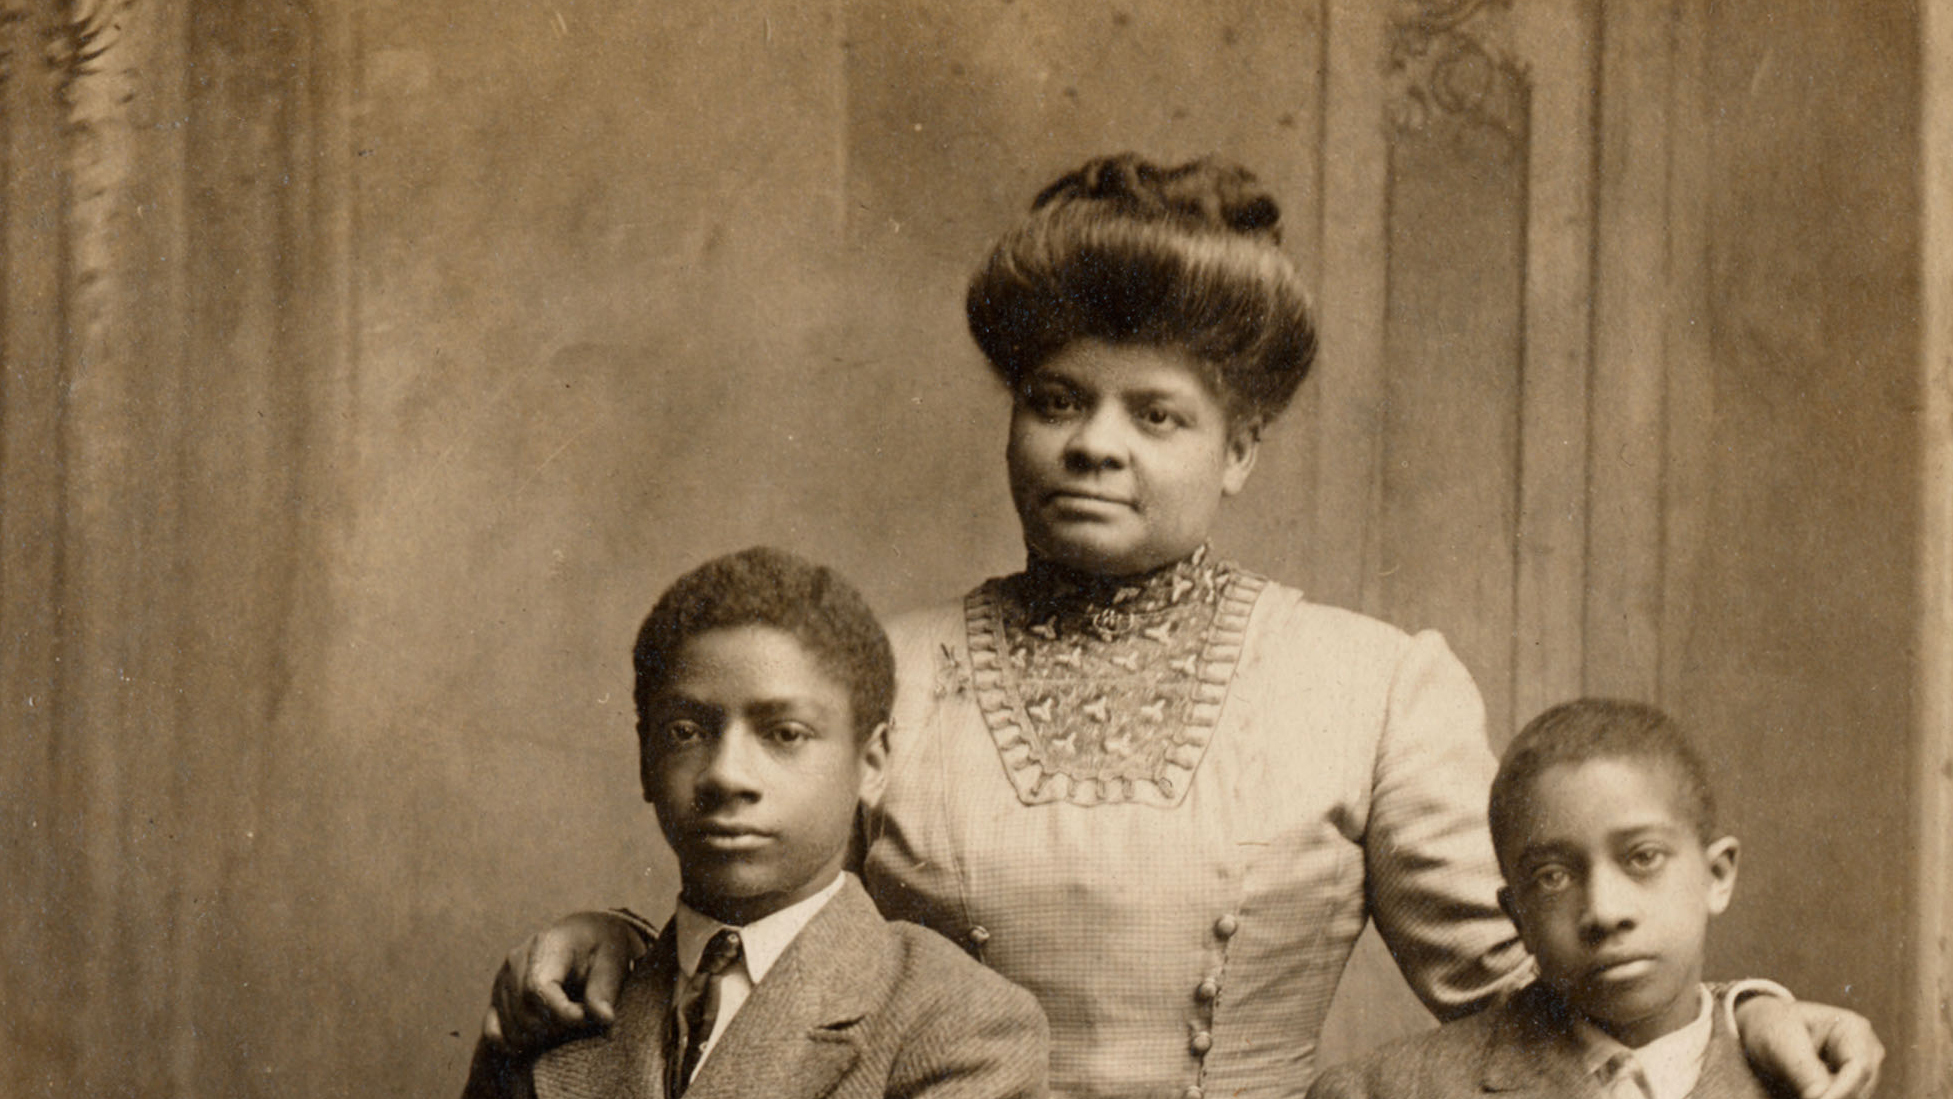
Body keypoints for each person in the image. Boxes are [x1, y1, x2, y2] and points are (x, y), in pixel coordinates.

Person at [480, 155, 1882, 1098]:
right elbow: (752, 923)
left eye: (1157, 414)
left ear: (1240, 447)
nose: (1095, 445)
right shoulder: (882, 670)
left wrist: (1740, 1010)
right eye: (1055, 398)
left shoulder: (1369, 685)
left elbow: (1548, 991)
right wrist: (604, 933)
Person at [461, 547, 1049, 1099]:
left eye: (784, 734)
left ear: (871, 764)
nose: (724, 775)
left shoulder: (958, 1023)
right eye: (685, 733)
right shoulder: (558, 999)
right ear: (644, 760)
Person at [1307, 699, 1795, 1099]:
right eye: (1552, 877)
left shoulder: (1812, 1079)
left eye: (1643, 857)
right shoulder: (1384, 1092)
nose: (1604, 911)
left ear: (1717, 875)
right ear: (1517, 918)